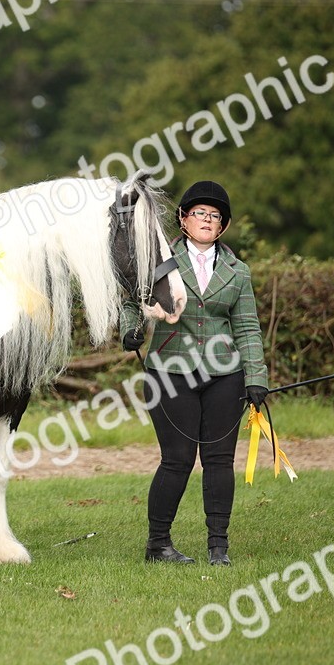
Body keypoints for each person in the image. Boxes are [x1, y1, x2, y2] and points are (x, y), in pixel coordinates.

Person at [119, 180, 268, 566]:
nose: (207, 219)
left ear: (223, 226)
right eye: (199, 213)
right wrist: (129, 330)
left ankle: (218, 546)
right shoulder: (161, 259)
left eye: (215, 215)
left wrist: (256, 377)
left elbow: (248, 328)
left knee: (220, 460)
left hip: (225, 375)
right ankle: (158, 545)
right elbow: (133, 303)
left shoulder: (238, 272)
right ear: (184, 219)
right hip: (170, 373)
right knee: (178, 458)